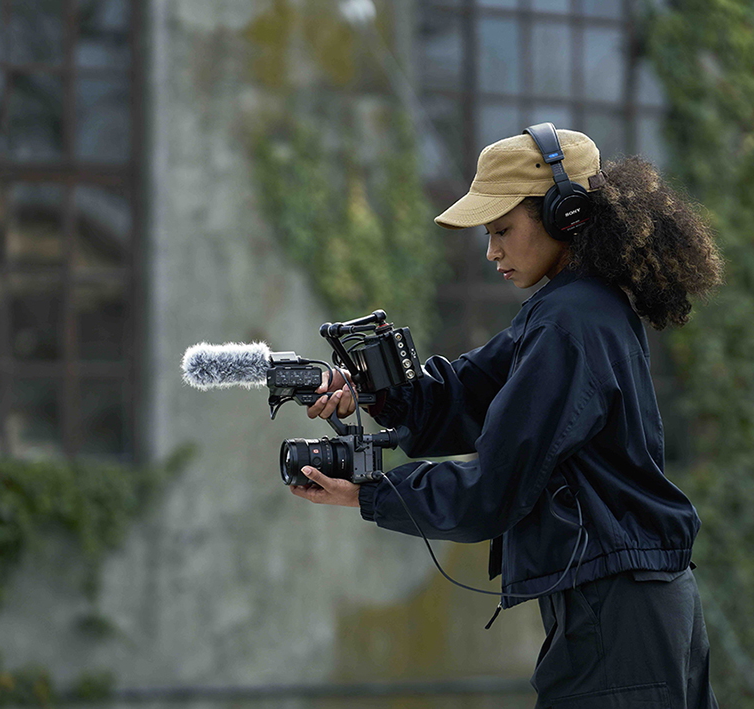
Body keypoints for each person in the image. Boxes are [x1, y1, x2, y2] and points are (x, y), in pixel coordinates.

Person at [290, 124, 723, 709]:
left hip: (618, 617)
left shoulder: (570, 322)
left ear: (566, 216)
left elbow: (496, 487)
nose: (491, 251)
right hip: (632, 606)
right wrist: (370, 390)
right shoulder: (571, 309)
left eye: (501, 230)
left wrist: (369, 493)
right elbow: (466, 396)